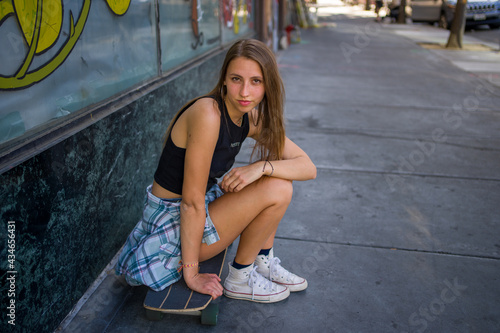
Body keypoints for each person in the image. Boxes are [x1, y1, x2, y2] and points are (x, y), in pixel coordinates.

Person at [116, 39, 316, 303]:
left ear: (268, 85)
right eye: (236, 79)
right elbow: (190, 203)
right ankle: (240, 278)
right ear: (223, 80)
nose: (245, 92)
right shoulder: (209, 114)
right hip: (173, 225)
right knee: (278, 187)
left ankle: (263, 261)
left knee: (277, 176)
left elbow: (307, 167)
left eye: (256, 81)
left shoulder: (248, 118)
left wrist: (260, 168)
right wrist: (192, 274)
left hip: (198, 211)